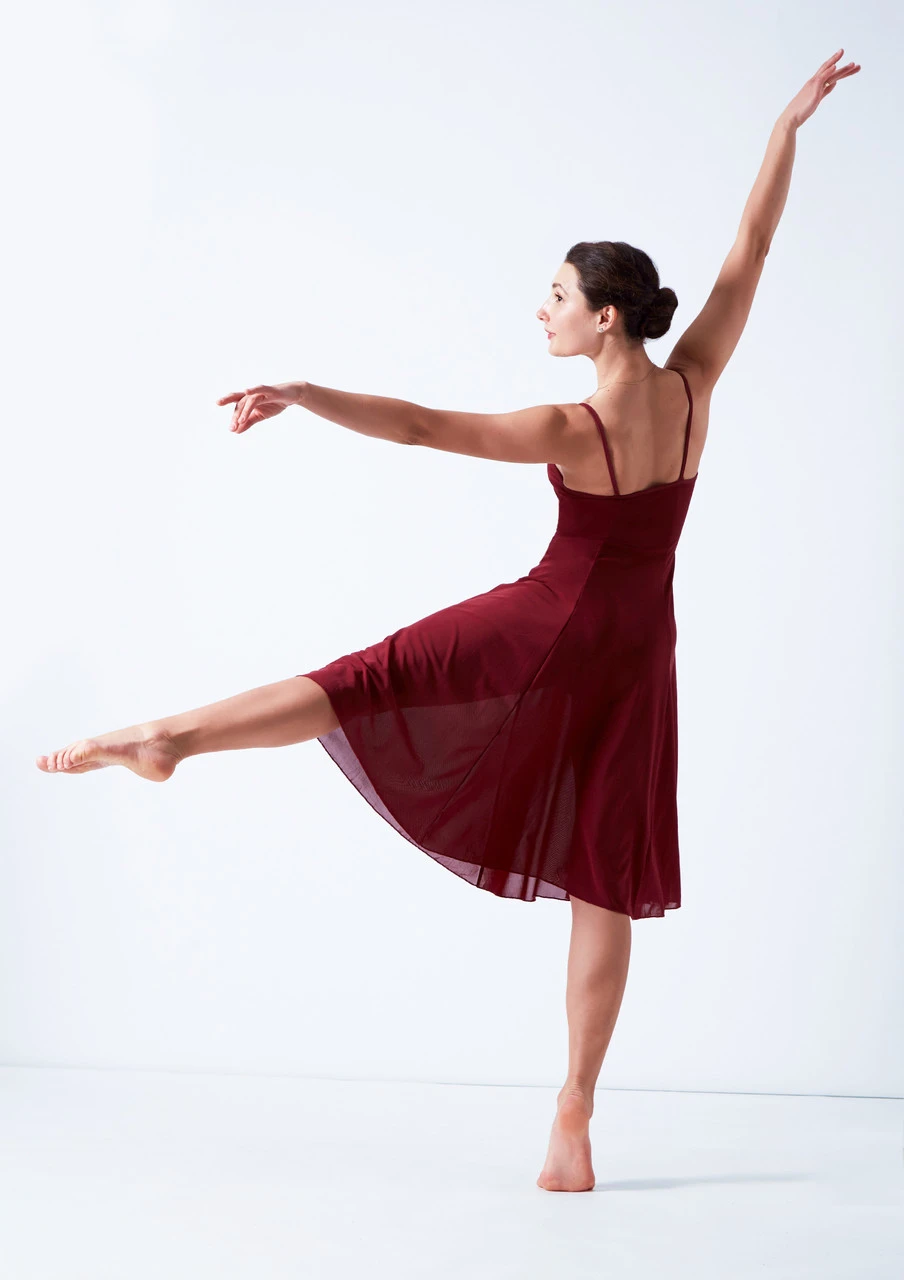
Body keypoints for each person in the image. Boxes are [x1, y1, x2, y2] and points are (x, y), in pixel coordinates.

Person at [35, 50, 860, 1193]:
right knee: (603, 874)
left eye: (557, 297)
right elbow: (752, 248)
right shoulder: (693, 386)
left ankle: (171, 734)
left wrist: (306, 393)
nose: (542, 310)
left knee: (368, 680)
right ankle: (573, 1112)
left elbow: (425, 426)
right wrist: (784, 129)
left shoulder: (573, 426)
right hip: (639, 657)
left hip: (549, 619)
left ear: (605, 317)